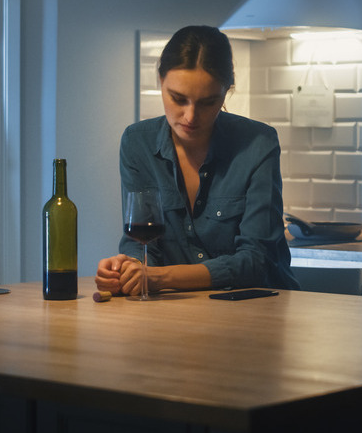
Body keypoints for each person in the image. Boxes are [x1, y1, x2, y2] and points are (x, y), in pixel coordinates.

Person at [94, 25, 298, 296]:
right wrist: (128, 268)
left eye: (207, 102)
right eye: (178, 99)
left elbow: (256, 261)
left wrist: (159, 277)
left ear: (226, 91)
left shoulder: (258, 144)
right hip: (179, 314)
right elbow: (141, 245)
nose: (190, 116)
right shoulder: (137, 143)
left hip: (258, 309)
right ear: (160, 81)